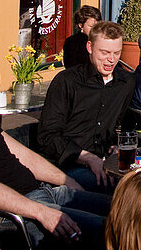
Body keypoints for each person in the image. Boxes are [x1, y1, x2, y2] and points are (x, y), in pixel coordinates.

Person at [38, 20, 135, 189]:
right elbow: (48, 137)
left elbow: (121, 125)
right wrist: (88, 158)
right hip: (69, 165)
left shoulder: (125, 82)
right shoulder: (67, 81)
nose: (111, 60)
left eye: (116, 53)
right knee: (119, 190)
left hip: (107, 163)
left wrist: (117, 145)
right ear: (90, 48)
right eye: (104, 52)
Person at [0, 120, 110, 247]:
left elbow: (24, 156)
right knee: (115, 231)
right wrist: (41, 212)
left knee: (125, 210)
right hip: (16, 211)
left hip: (46, 192)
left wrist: (68, 181)